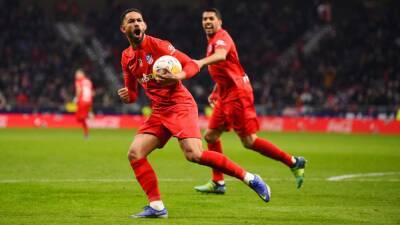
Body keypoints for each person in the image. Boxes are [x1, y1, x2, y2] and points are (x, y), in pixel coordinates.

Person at [118, 8, 271, 219]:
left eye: (139, 20)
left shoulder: (160, 46)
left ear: (144, 26)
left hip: (180, 104)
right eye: (131, 21)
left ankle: (251, 178)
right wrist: (127, 96)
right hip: (160, 111)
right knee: (135, 153)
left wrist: (177, 75)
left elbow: (190, 64)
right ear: (123, 28)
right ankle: (156, 206)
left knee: (194, 154)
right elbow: (133, 94)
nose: (136, 24)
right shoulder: (126, 57)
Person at [194, 8, 306, 194]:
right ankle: (218, 182)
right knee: (210, 136)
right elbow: (227, 67)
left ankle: (294, 162)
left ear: (219, 22)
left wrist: (200, 62)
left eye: (211, 18)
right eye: (204, 18)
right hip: (225, 93)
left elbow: (221, 56)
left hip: (238, 94)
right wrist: (216, 89)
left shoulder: (222, 38)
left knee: (249, 141)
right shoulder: (211, 41)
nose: (207, 21)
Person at [74, 69, 94, 138]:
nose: (76, 76)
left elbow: (79, 89)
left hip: (82, 101)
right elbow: (92, 92)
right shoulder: (88, 81)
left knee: (79, 118)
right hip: (89, 101)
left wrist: (76, 98)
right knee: (81, 118)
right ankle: (88, 114)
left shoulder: (79, 81)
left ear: (82, 74)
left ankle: (87, 115)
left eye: (77, 74)